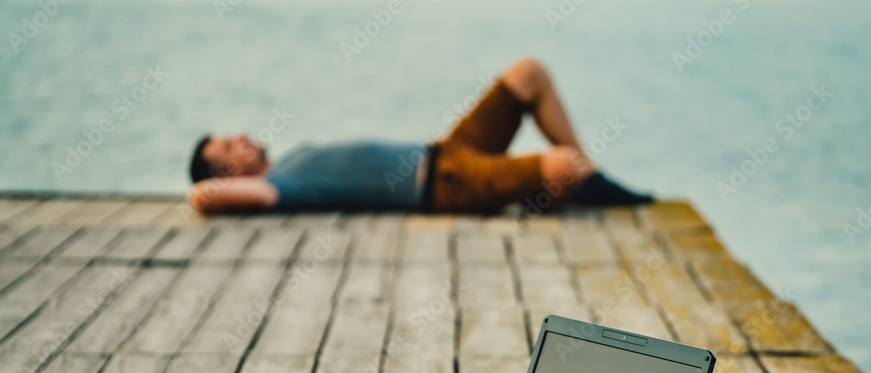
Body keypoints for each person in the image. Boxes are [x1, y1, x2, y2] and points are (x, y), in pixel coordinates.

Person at [187, 58, 652, 216]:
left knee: (528, 72)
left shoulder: (289, 163)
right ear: (230, 172)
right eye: (230, 146)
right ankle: (575, 181)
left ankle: (590, 179)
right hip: (447, 186)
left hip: (448, 151)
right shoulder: (280, 188)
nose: (243, 136)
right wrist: (210, 189)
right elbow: (203, 196)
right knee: (561, 164)